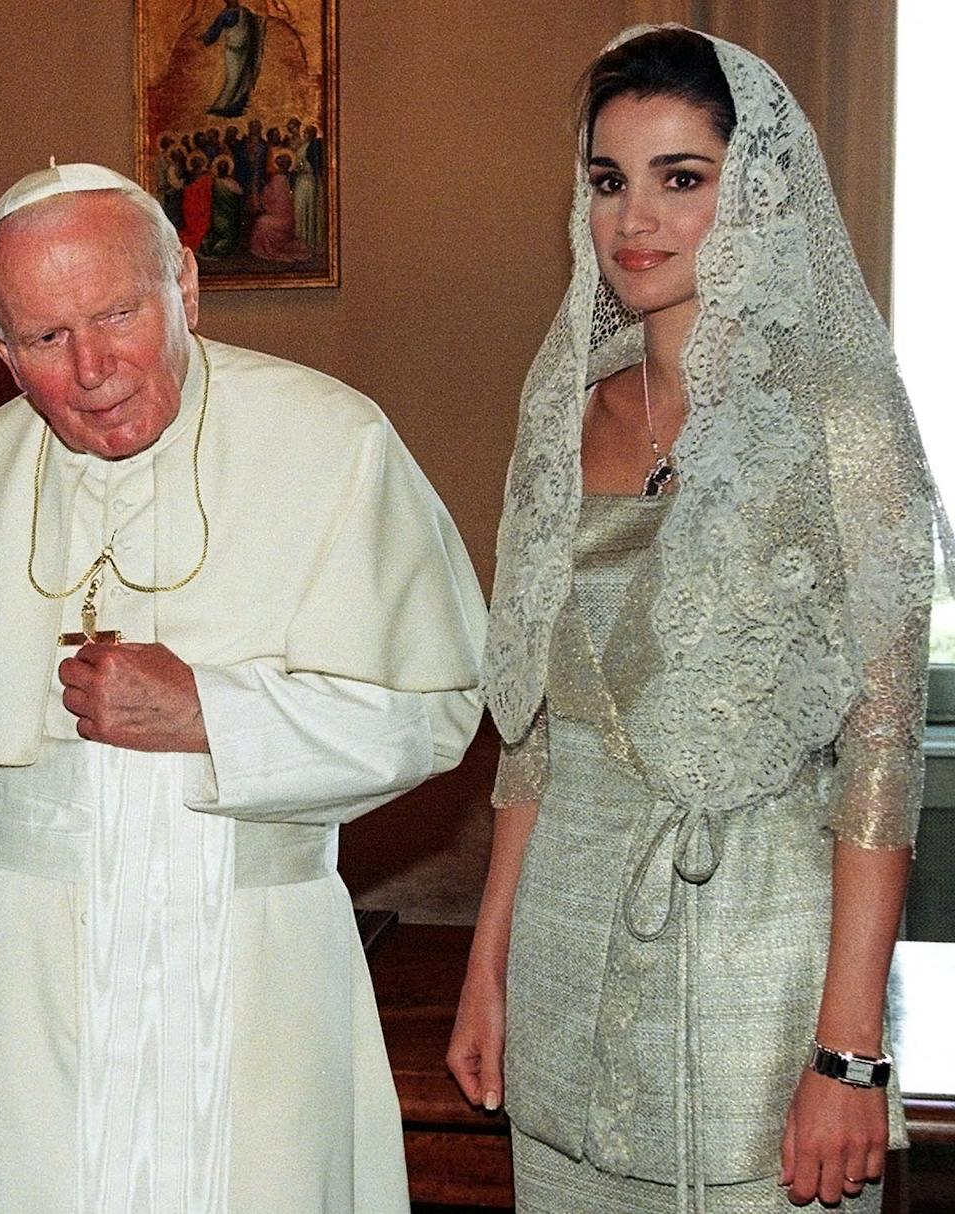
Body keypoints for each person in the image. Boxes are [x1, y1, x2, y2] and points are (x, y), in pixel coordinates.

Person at [0, 162, 487, 1212]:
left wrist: (215, 714)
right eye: (43, 337)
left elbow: (435, 709)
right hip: (3, 996)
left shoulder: (333, 442)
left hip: (247, 969)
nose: (92, 367)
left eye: (118, 312)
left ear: (184, 285)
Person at [446, 27, 949, 1213]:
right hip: (567, 953)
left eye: (681, 178)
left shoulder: (841, 422)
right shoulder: (559, 419)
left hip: (763, 975)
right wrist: (488, 961)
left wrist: (846, 1053)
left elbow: (877, 758)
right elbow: (531, 733)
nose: (637, 218)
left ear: (755, 189)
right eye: (608, 180)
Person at [202, 0, 265, 119]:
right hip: (233, 51)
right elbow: (215, 31)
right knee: (232, 79)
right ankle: (219, 107)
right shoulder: (225, 15)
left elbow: (255, 22)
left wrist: (260, 22)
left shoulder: (245, 12)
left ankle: (236, 106)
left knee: (245, 78)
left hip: (245, 50)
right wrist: (206, 38)